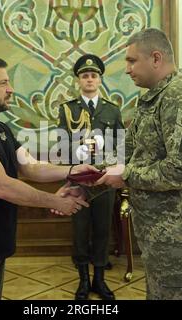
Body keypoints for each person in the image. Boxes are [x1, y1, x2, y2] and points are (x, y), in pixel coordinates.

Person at [0, 56, 93, 300]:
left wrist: (72, 170)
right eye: (3, 83)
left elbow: (30, 167)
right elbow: (3, 186)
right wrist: (56, 202)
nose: (11, 89)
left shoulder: (0, 128)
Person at [96, 28, 182, 300]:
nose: (127, 69)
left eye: (131, 61)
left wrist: (126, 176)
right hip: (160, 234)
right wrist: (95, 172)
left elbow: (181, 172)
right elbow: (129, 150)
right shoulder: (152, 97)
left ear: (155, 58)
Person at [57, 54, 124, 300]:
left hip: (105, 182)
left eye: (93, 75)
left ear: (100, 80)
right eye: (85, 76)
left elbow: (120, 146)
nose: (89, 79)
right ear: (78, 81)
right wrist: (78, 163)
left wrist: (113, 171)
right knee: (80, 229)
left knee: (102, 230)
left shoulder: (112, 110)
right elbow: (62, 145)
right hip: (80, 182)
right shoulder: (68, 109)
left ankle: (100, 280)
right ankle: (83, 280)